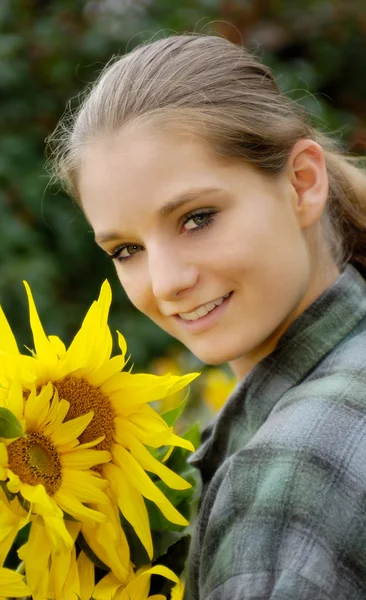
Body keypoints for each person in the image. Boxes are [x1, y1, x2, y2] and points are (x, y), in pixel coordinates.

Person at [47, 34, 366, 599]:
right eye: (126, 250)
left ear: (302, 183)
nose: (167, 282)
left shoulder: (293, 470)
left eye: (197, 218)